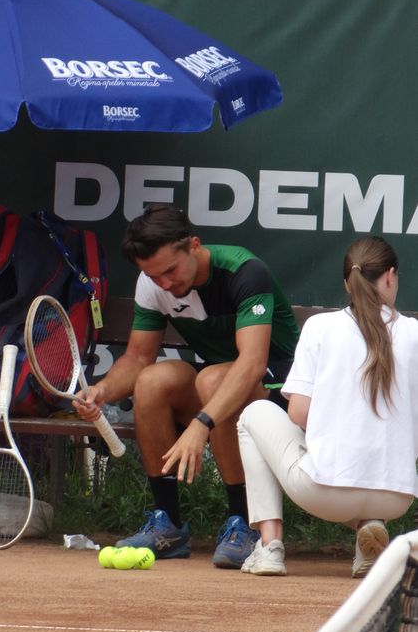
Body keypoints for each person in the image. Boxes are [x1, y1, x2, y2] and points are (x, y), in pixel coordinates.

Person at [73, 204, 299, 568]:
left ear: (194, 245)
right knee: (152, 381)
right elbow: (137, 358)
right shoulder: (153, 283)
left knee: (213, 380)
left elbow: (252, 364)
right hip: (221, 383)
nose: (164, 284)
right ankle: (168, 525)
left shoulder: (245, 271)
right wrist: (101, 391)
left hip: (280, 387)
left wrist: (201, 423)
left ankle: (245, 522)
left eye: (170, 271)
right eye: (154, 276)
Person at [237, 235, 418, 578]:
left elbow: (298, 414)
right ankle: (369, 529)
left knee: (252, 415)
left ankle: (270, 547)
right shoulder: (415, 333)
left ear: (347, 283)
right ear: (390, 276)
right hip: (397, 498)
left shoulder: (320, 327)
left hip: (324, 494)